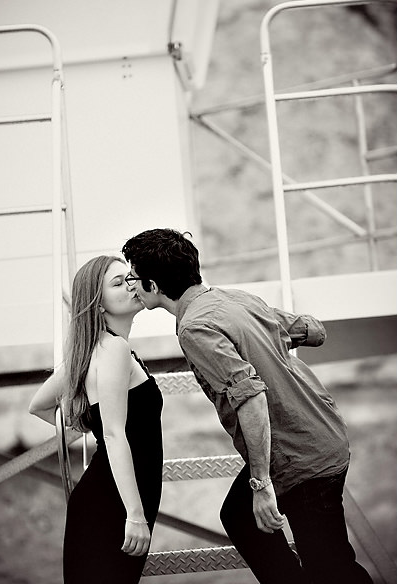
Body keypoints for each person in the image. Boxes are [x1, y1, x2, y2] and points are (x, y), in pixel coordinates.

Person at [122, 228, 372, 584]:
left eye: (134, 277)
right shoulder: (233, 299)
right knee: (241, 518)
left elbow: (251, 398)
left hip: (300, 457)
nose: (131, 285)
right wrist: (273, 341)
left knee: (331, 568)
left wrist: (261, 484)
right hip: (320, 434)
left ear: (153, 284)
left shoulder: (195, 328)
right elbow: (314, 331)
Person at [29, 255, 163, 583]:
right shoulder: (113, 350)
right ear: (98, 305)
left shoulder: (93, 350)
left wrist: (90, 424)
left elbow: (40, 404)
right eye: (117, 283)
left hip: (107, 496)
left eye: (130, 279)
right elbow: (115, 435)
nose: (131, 286)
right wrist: (134, 514)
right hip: (113, 503)